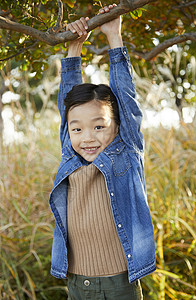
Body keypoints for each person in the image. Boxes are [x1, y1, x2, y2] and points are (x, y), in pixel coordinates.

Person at [49, 4, 156, 299]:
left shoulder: (125, 151)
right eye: (78, 129)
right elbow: (67, 104)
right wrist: (73, 48)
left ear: (117, 125)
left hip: (120, 286)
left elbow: (125, 95)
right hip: (76, 285)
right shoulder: (70, 156)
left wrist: (113, 35)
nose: (87, 138)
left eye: (99, 127)